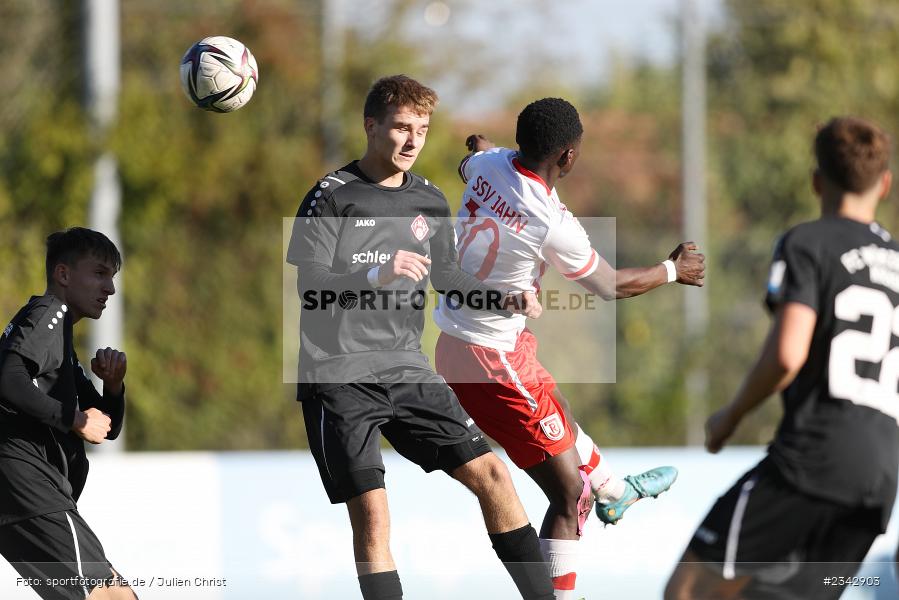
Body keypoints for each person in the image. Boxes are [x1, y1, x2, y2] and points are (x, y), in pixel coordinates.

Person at [287, 75, 554, 600]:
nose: (412, 141)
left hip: (407, 370)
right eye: (401, 128)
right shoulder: (330, 196)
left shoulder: (430, 199)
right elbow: (311, 288)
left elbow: (449, 278)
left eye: (423, 130)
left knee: (494, 477)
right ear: (371, 126)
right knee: (374, 515)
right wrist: (375, 274)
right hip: (339, 376)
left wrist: (505, 296)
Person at [432, 97, 706, 598]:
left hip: (460, 342)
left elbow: (470, 159)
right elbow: (610, 285)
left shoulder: (488, 166)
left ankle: (615, 491)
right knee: (567, 493)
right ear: (568, 157)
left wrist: (479, 147)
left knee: (559, 412)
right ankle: (591, 517)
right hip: (491, 357)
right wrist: (673, 270)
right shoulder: (552, 221)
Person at [665, 116, 899, 599]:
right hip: (878, 484)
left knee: (688, 591)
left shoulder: (808, 243)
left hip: (808, 466)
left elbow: (788, 353)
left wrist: (729, 418)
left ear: (817, 180)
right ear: (886, 184)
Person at [0, 227, 135, 600]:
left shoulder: (61, 338)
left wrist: (113, 386)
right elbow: (8, 379)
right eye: (99, 273)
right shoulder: (49, 311)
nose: (109, 288)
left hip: (24, 493)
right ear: (63, 275)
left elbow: (105, 427)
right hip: (28, 485)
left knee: (113, 595)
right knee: (109, 597)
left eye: (112, 277)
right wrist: (74, 419)